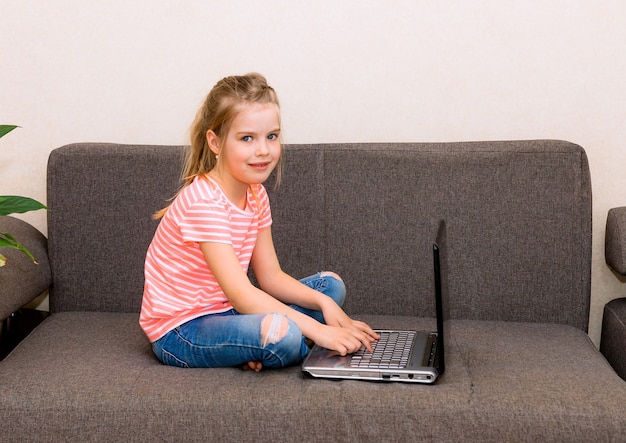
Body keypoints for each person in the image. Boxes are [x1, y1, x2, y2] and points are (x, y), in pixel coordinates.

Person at [140, 73, 378, 372]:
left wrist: (325, 304)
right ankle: (267, 341)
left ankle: (254, 344)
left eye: (272, 136)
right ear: (215, 141)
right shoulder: (203, 201)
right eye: (247, 138)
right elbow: (241, 294)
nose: (263, 150)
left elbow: (271, 277)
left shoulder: (255, 194)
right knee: (286, 335)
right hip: (182, 330)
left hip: (227, 312)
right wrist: (319, 330)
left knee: (330, 287)